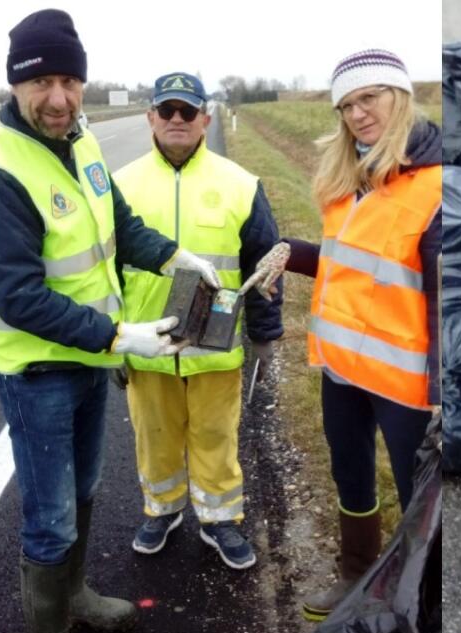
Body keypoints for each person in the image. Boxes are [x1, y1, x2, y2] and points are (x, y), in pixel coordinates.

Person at [0, 10, 220, 633]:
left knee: (86, 487)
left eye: (71, 81)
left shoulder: (83, 140)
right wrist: (123, 334)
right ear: (15, 84)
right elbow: (20, 296)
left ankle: (77, 593)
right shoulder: (3, 167)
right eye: (43, 84)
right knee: (50, 516)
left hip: (91, 357)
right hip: (37, 370)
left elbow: (119, 224)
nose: (60, 99)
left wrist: (177, 257)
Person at [265, 48, 440, 622]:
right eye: (346, 105)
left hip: (406, 382)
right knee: (350, 471)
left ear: (401, 96)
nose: (358, 114)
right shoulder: (349, 180)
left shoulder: (435, 187)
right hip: (343, 366)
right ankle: (356, 574)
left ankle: (419, 604)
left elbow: (445, 299)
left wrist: (445, 393)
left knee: (422, 499)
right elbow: (350, 265)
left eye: (370, 98)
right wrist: (295, 253)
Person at [113, 71, 284, 570]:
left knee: (216, 436)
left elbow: (264, 263)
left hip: (215, 346)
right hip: (150, 346)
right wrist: (111, 344)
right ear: (150, 118)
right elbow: (103, 274)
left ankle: (220, 520)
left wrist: (265, 332)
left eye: (187, 111)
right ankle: (160, 511)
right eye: (167, 110)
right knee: (155, 436)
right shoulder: (120, 186)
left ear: (205, 119)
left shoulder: (240, 184)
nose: (177, 120)